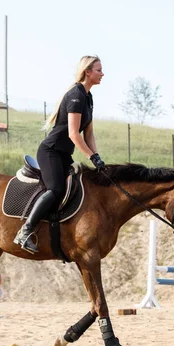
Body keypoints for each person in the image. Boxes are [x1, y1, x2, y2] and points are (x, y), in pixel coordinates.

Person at [14, 55, 106, 254]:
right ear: (87, 72)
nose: (102, 74)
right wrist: (91, 156)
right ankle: (25, 231)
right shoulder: (76, 95)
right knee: (55, 190)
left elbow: (88, 133)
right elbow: (74, 134)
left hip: (64, 155)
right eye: (99, 70)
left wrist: (97, 157)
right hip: (51, 152)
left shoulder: (88, 98)